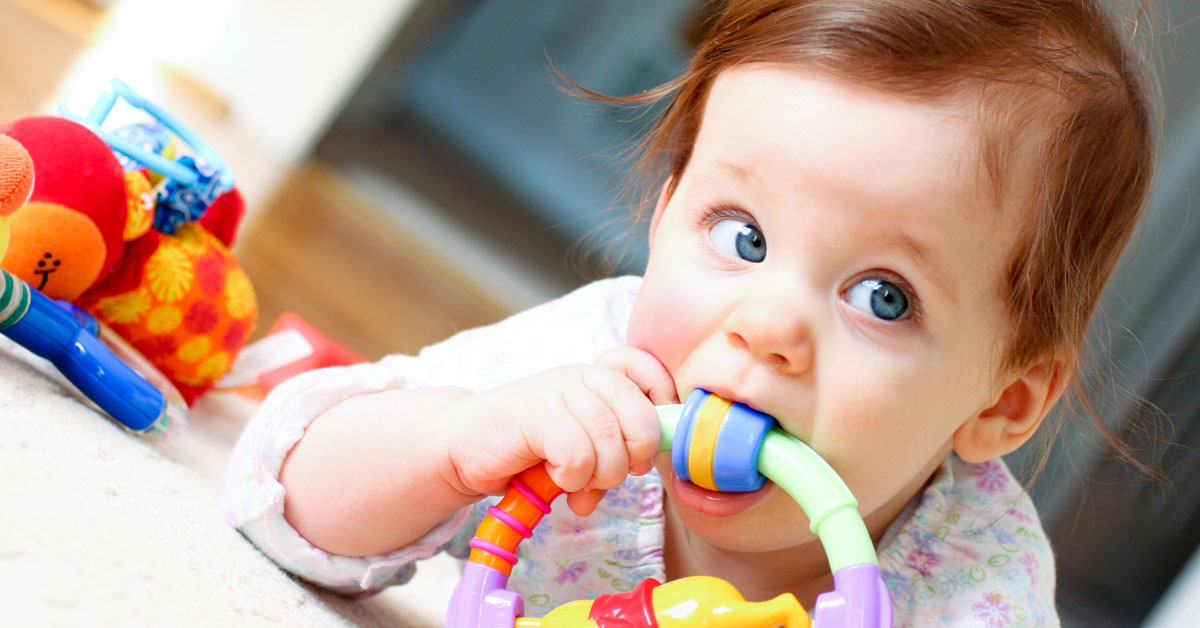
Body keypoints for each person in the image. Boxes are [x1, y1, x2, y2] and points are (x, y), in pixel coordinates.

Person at [222, 0, 1156, 624]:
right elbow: (284, 501)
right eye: (743, 236)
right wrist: (458, 443)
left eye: (884, 297)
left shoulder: (975, 579)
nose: (766, 329)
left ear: (1004, 404)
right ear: (667, 214)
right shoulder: (578, 379)